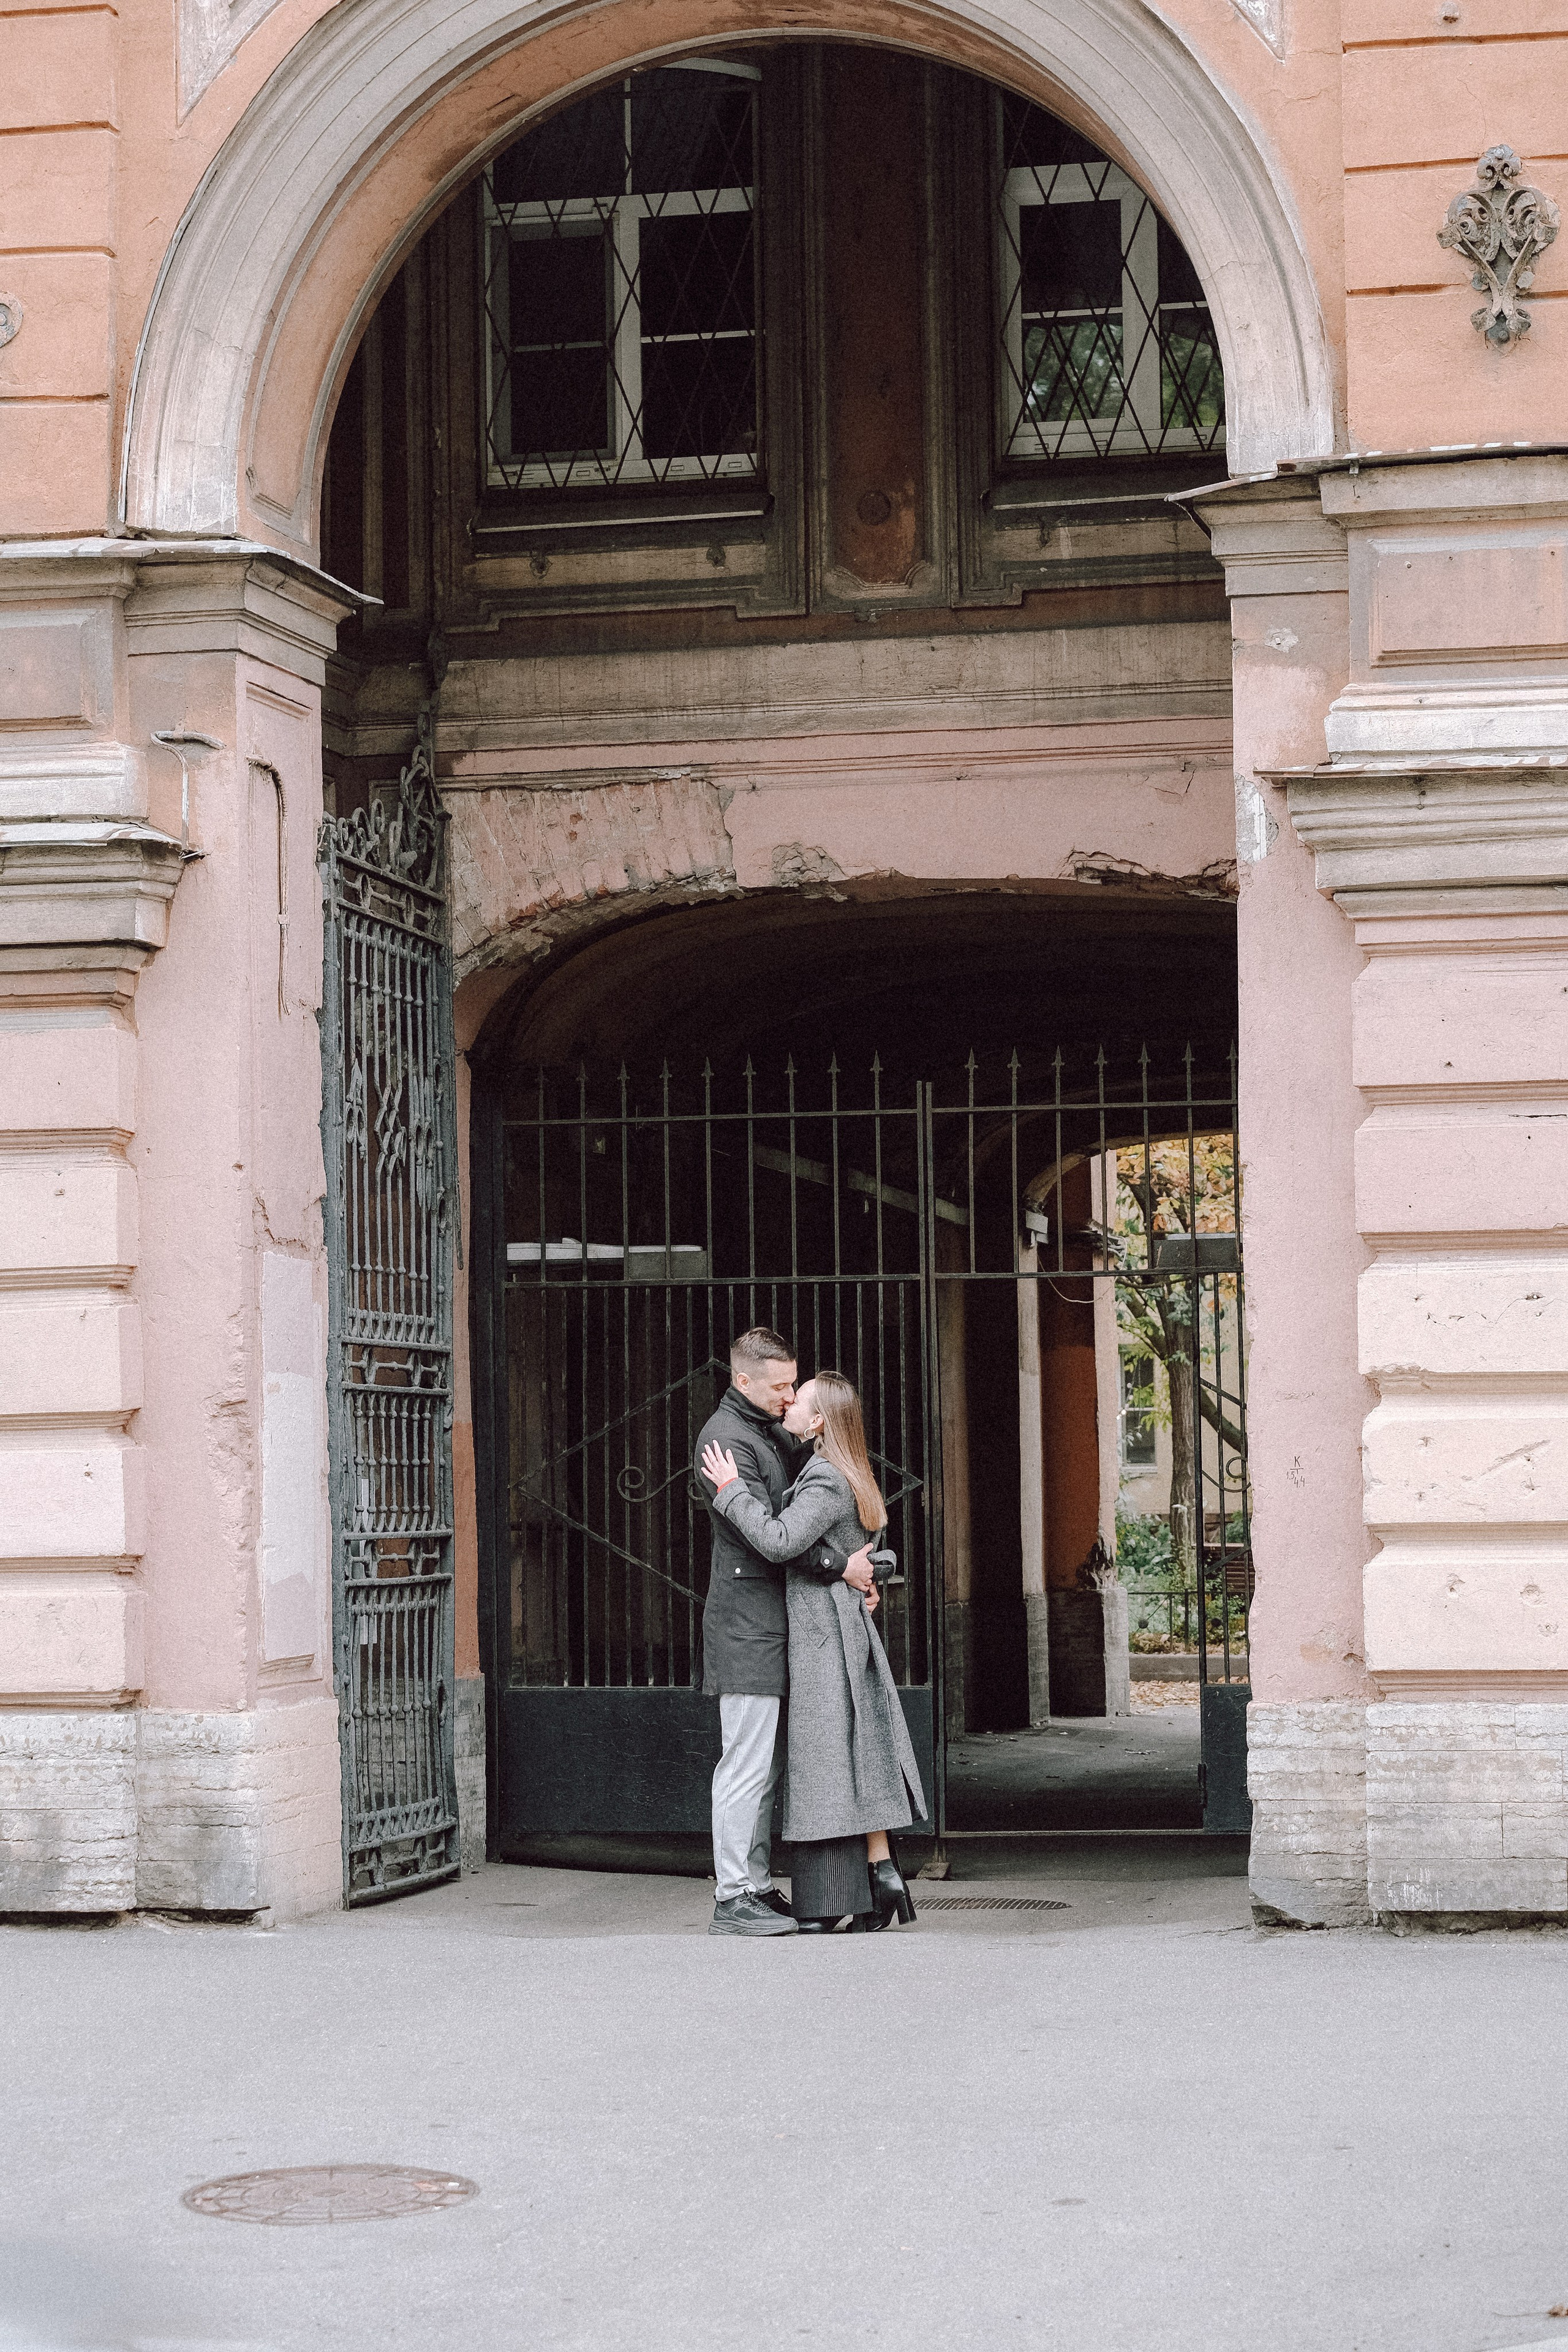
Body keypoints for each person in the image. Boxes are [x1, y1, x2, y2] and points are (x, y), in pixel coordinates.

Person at [701, 1370, 927, 1932]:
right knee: (848, 1756)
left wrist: (731, 1493)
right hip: (835, 1629)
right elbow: (866, 1545)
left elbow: (779, 1541)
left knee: (828, 1764)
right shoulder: (833, 1467)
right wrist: (865, 1569)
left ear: (820, 1420)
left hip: (823, 1636)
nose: (789, 1404)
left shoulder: (824, 1476)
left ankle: (842, 1891)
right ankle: (877, 1875)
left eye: (798, 1399)